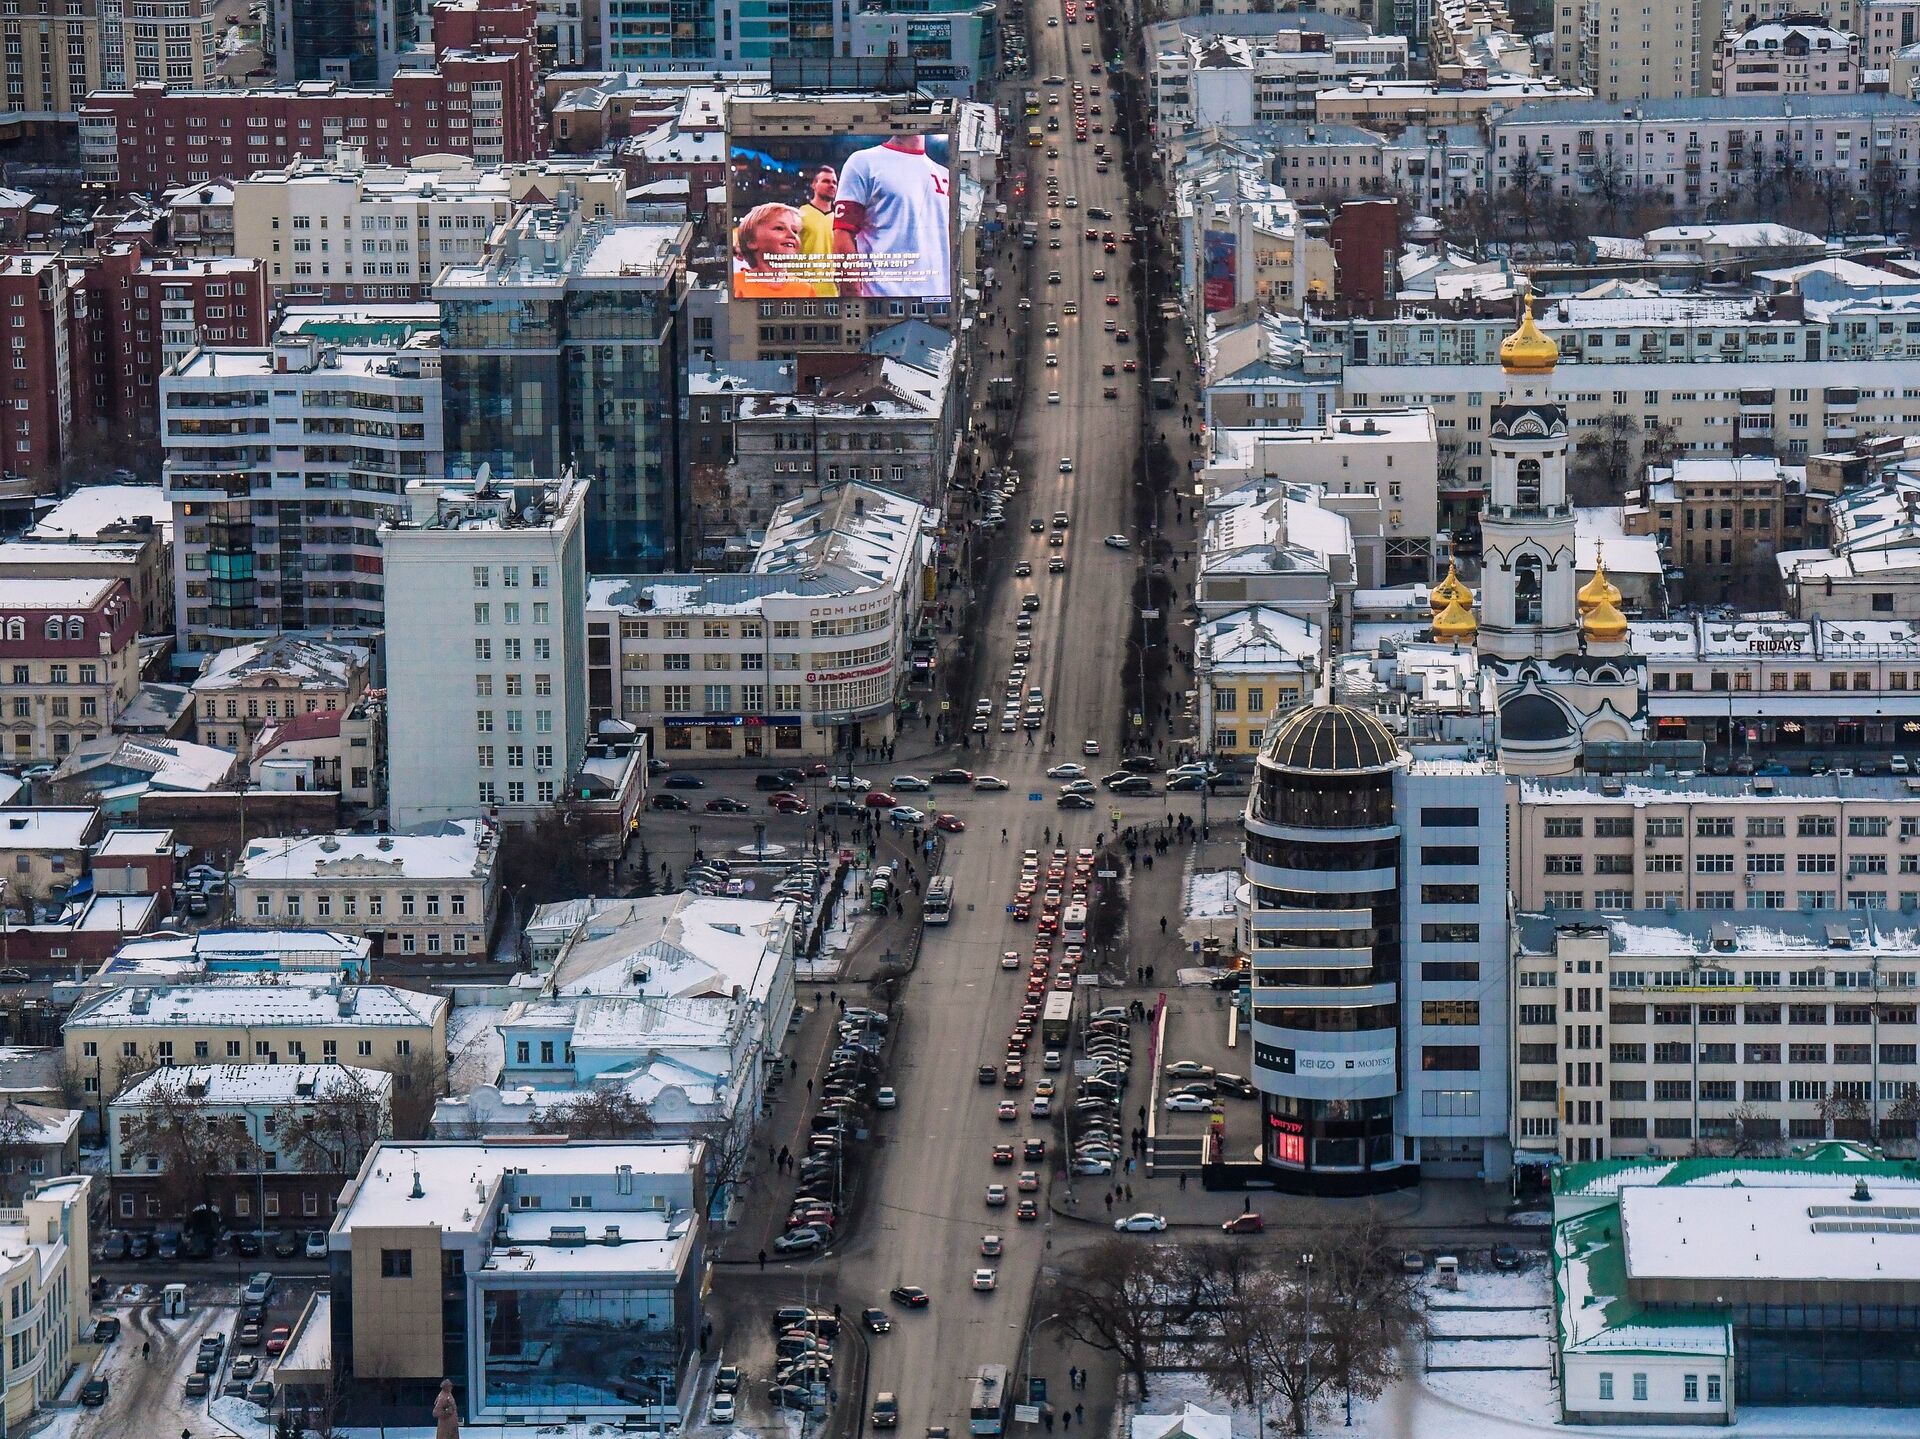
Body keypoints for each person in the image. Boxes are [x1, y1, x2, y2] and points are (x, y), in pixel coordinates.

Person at [833, 134, 953, 301]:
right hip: (885, 304)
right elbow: (842, 234)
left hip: (941, 303)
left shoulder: (945, 174)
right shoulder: (863, 161)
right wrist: (854, 302)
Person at [732, 203, 815, 298]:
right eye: (779, 228)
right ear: (752, 241)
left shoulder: (805, 289)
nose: (792, 234)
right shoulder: (735, 284)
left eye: (795, 231)